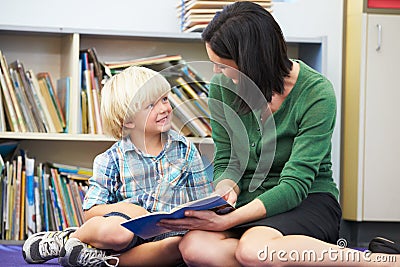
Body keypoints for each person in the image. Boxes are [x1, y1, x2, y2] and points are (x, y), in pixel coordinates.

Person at [157, 2, 400, 266]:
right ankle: (292, 257)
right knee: (195, 248)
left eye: (223, 65)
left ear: (252, 62)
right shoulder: (223, 86)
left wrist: (228, 221)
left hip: (306, 199)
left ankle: (374, 261)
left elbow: (295, 184)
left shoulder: (317, 93)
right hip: (249, 198)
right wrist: (225, 191)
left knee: (252, 250)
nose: (216, 72)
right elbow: (228, 161)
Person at [22, 66, 213, 267]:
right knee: (117, 233)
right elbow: (91, 211)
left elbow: (202, 198)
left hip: (169, 234)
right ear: (128, 121)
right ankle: (69, 239)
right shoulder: (111, 159)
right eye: (151, 105)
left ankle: (103, 262)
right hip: (126, 231)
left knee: (181, 245)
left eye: (165, 99)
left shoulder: (185, 150)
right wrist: (127, 208)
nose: (164, 108)